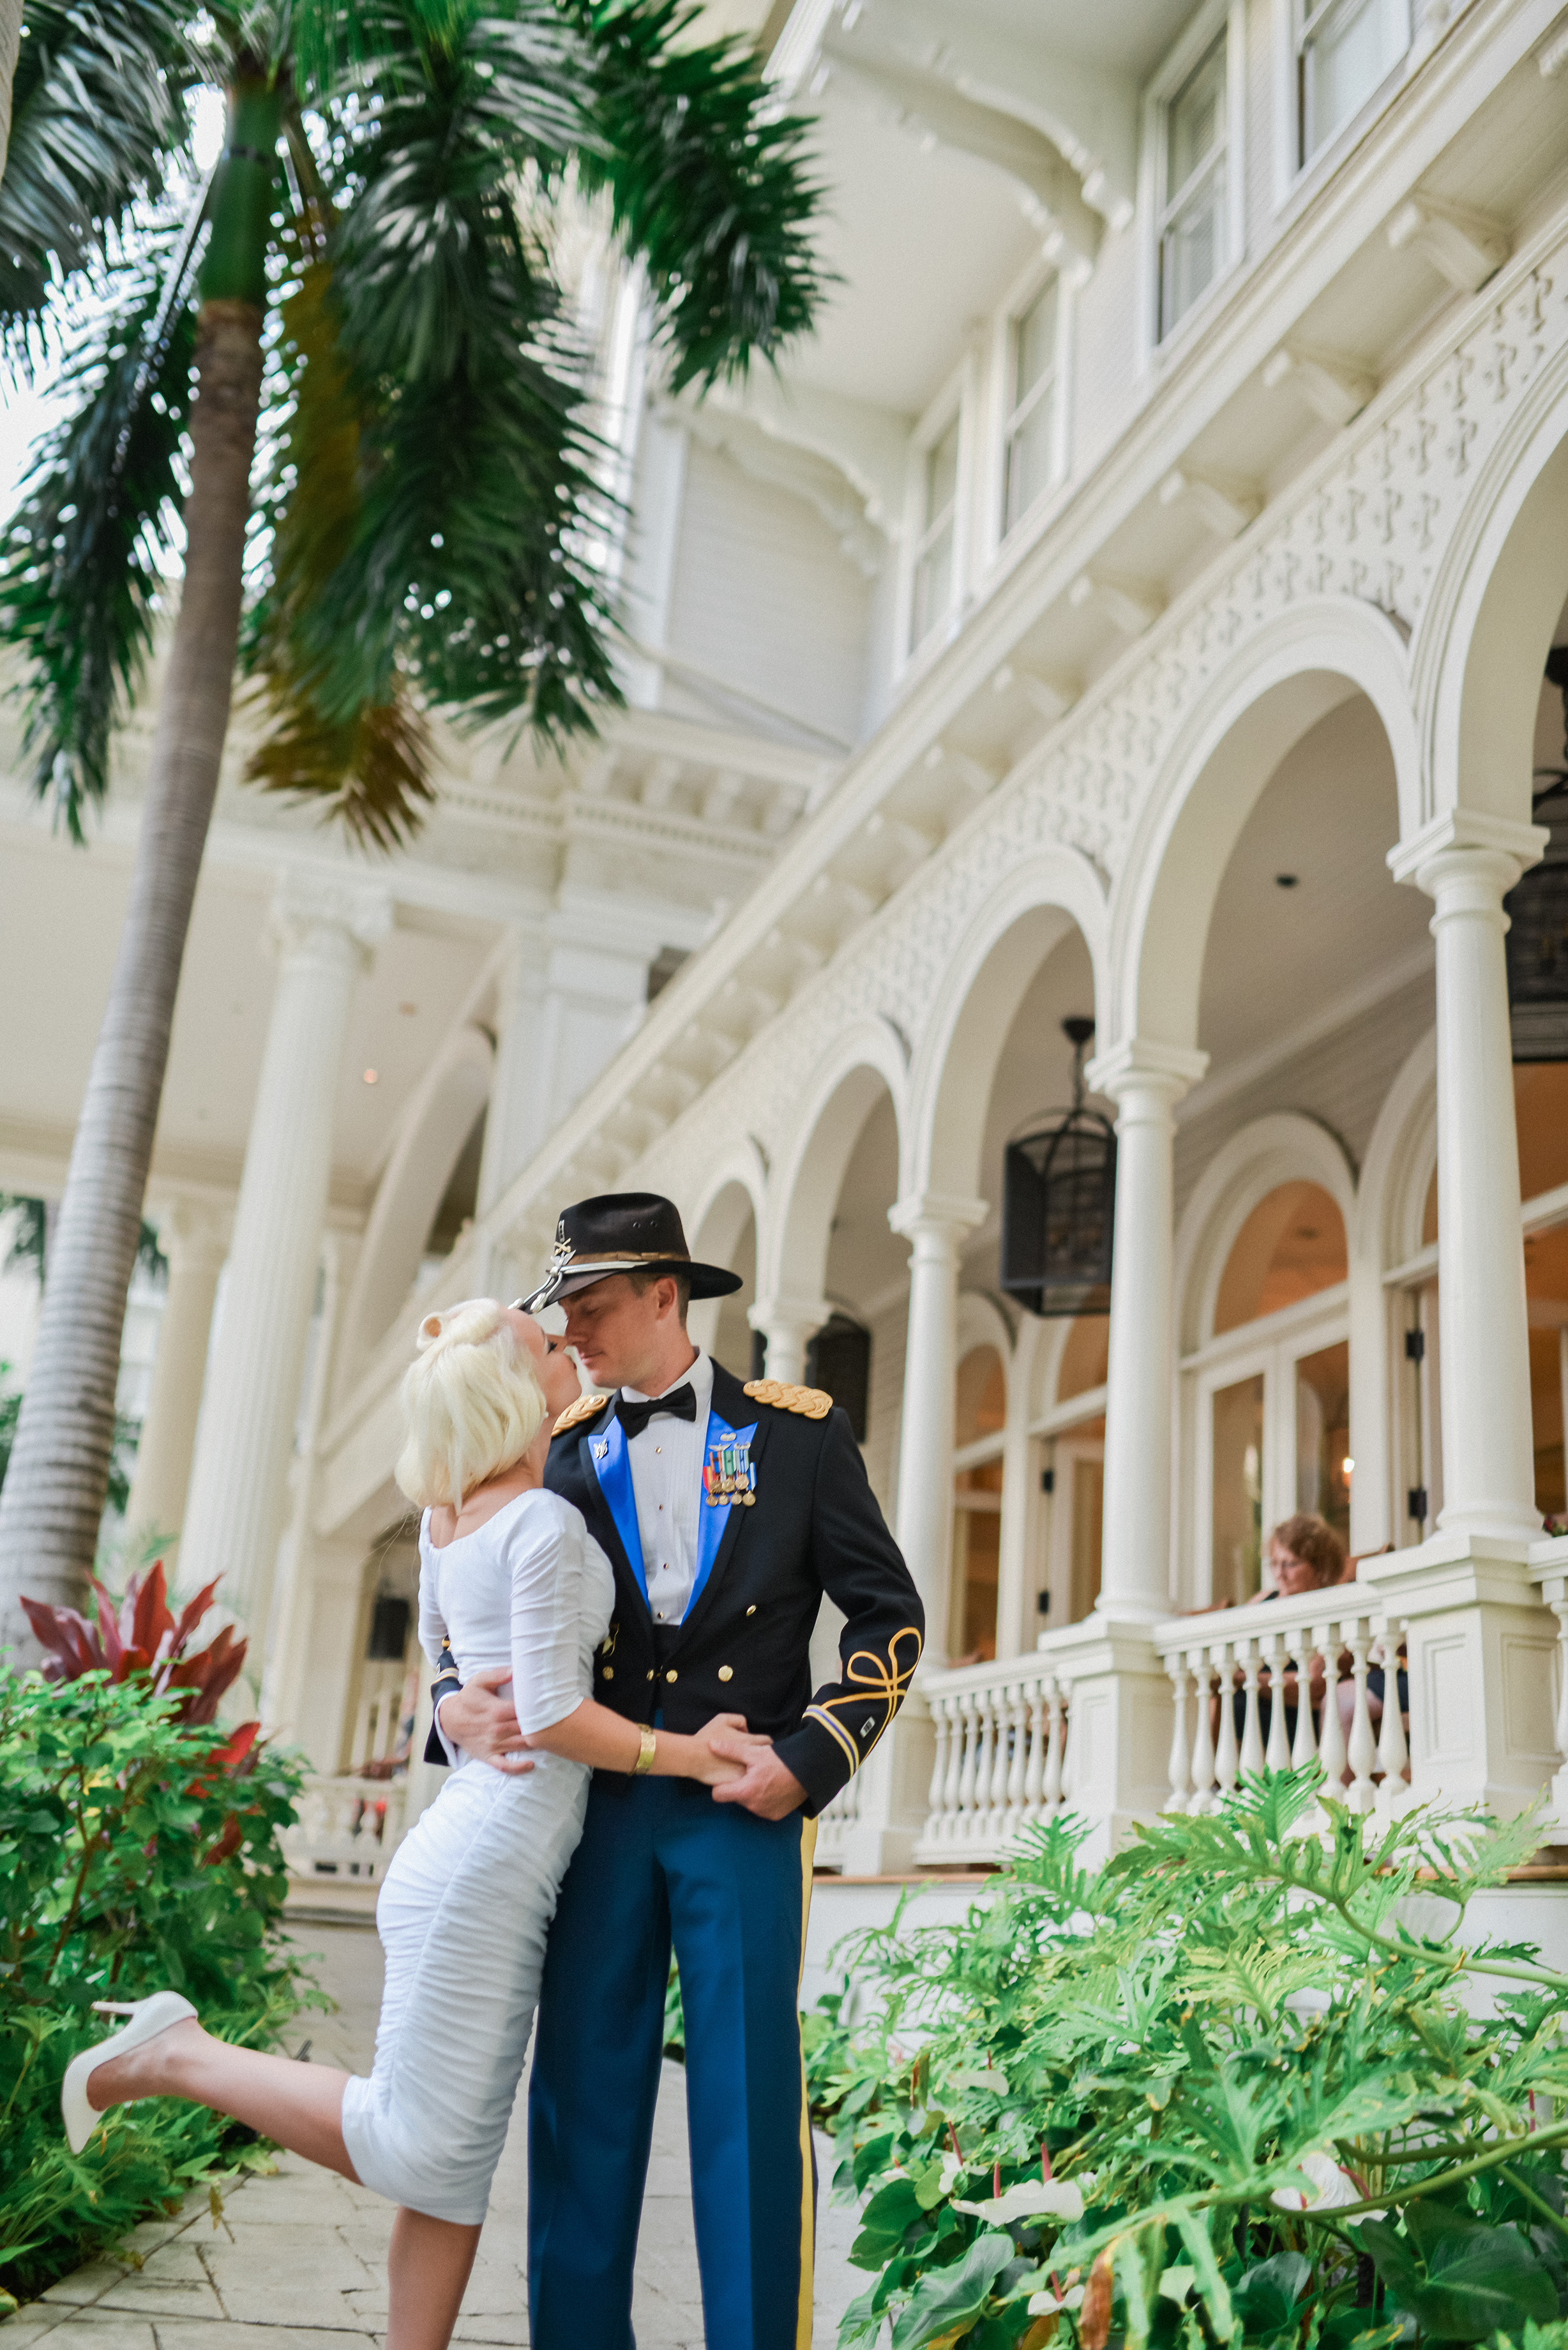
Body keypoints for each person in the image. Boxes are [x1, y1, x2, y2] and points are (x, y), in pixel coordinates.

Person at [61, 1300, 752, 2350]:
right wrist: (695, 1752)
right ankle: (177, 2054)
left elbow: (452, 1662)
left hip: (474, 1845)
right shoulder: (543, 1522)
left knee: (453, 2169)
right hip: (491, 1856)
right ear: (513, 1398)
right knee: (418, 2147)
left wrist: (453, 1703)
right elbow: (557, 1717)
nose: (566, 1350)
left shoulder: (448, 1520)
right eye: (543, 1350)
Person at [433, 1190, 924, 2350]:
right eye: (564, 1313)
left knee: (748, 2103)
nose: (576, 1335)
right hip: (589, 1803)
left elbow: (887, 1613)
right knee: (584, 2100)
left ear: (668, 1296)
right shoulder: (550, 1442)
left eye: (593, 1307)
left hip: (739, 1804)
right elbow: (459, 1573)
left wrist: (811, 1759)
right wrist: (450, 1701)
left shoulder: (799, 1435)